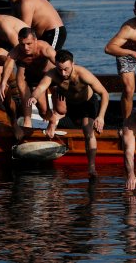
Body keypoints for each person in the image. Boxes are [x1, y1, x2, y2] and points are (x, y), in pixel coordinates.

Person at [28, 50, 109, 178]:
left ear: (73, 64)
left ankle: (91, 167)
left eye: (66, 69)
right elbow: (40, 88)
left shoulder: (83, 74)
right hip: (70, 105)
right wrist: (34, 97)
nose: (63, 73)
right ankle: (54, 120)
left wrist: (101, 116)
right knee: (58, 110)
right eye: (60, 69)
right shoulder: (53, 74)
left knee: (87, 130)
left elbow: (104, 94)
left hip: (87, 104)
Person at [0, 27, 57, 138]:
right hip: (34, 79)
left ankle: (54, 120)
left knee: (60, 108)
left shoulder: (45, 49)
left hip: (49, 76)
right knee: (43, 112)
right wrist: (3, 83)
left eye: (29, 44)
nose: (25, 48)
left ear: (35, 40)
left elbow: (62, 65)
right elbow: (9, 63)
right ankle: (49, 119)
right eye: (22, 44)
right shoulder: (18, 50)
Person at [0, 0, 67, 50]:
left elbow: (24, 28)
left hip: (54, 32)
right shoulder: (15, 2)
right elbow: (14, 24)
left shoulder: (26, 1)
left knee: (50, 59)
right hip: (41, 36)